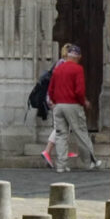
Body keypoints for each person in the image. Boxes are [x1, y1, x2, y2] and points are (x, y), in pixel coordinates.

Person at [43, 43, 97, 171]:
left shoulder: (58, 69)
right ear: (77, 57)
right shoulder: (77, 69)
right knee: (81, 133)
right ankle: (89, 162)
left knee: (61, 135)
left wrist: (56, 101)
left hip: (58, 106)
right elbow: (79, 91)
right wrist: (83, 102)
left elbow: (51, 89)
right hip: (72, 105)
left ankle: (61, 165)